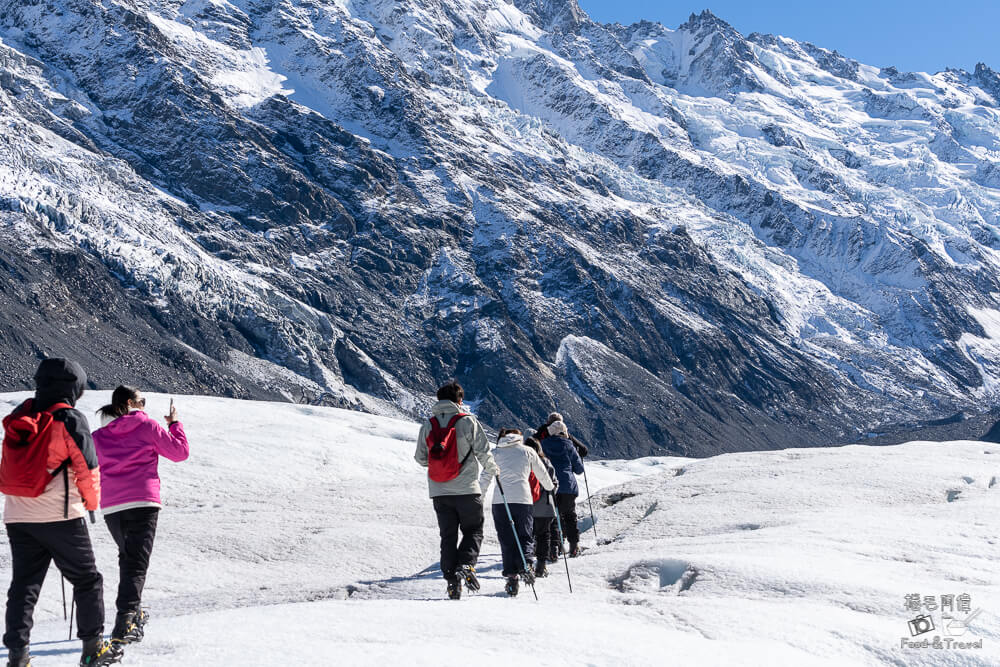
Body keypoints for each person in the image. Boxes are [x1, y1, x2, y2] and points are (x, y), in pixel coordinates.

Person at [0, 359, 117, 667]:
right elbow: (87, 467)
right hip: (61, 516)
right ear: (73, 388)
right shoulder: (68, 419)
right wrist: (91, 504)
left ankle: (17, 656)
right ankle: (93, 649)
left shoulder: (18, 417)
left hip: (18, 516)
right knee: (87, 580)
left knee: (24, 585)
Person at [92, 386, 189, 654]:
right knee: (136, 562)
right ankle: (125, 622)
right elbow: (179, 452)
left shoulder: (98, 436)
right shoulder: (145, 425)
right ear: (130, 403)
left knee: (128, 557)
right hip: (142, 501)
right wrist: (175, 425)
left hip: (111, 506)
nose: (144, 406)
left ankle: (132, 613)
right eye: (142, 401)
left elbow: (85, 465)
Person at [414, 381, 498, 600]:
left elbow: (420, 458)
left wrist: (440, 467)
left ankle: (452, 581)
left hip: (440, 492)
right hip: (467, 490)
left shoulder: (428, 425)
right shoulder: (468, 422)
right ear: (460, 400)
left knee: (448, 536)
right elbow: (483, 452)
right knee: (473, 530)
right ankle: (467, 565)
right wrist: (494, 470)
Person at [485, 429, 554, 597]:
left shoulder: (494, 453)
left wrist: (478, 497)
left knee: (507, 539)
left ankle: (511, 578)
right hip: (523, 500)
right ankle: (527, 564)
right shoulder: (528, 451)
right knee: (525, 535)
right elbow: (542, 473)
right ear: (519, 438)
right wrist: (550, 487)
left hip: (501, 502)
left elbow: (484, 476)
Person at [541, 420, 585, 558]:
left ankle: (555, 548)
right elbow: (579, 469)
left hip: (550, 485)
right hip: (567, 486)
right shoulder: (569, 445)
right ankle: (573, 547)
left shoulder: (543, 445)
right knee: (570, 516)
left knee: (553, 518)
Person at [523, 436, 558, 579]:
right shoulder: (546, 463)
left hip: (526, 505)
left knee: (527, 537)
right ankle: (541, 566)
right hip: (545, 506)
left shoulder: (523, 462)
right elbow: (554, 484)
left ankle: (528, 564)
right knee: (544, 536)